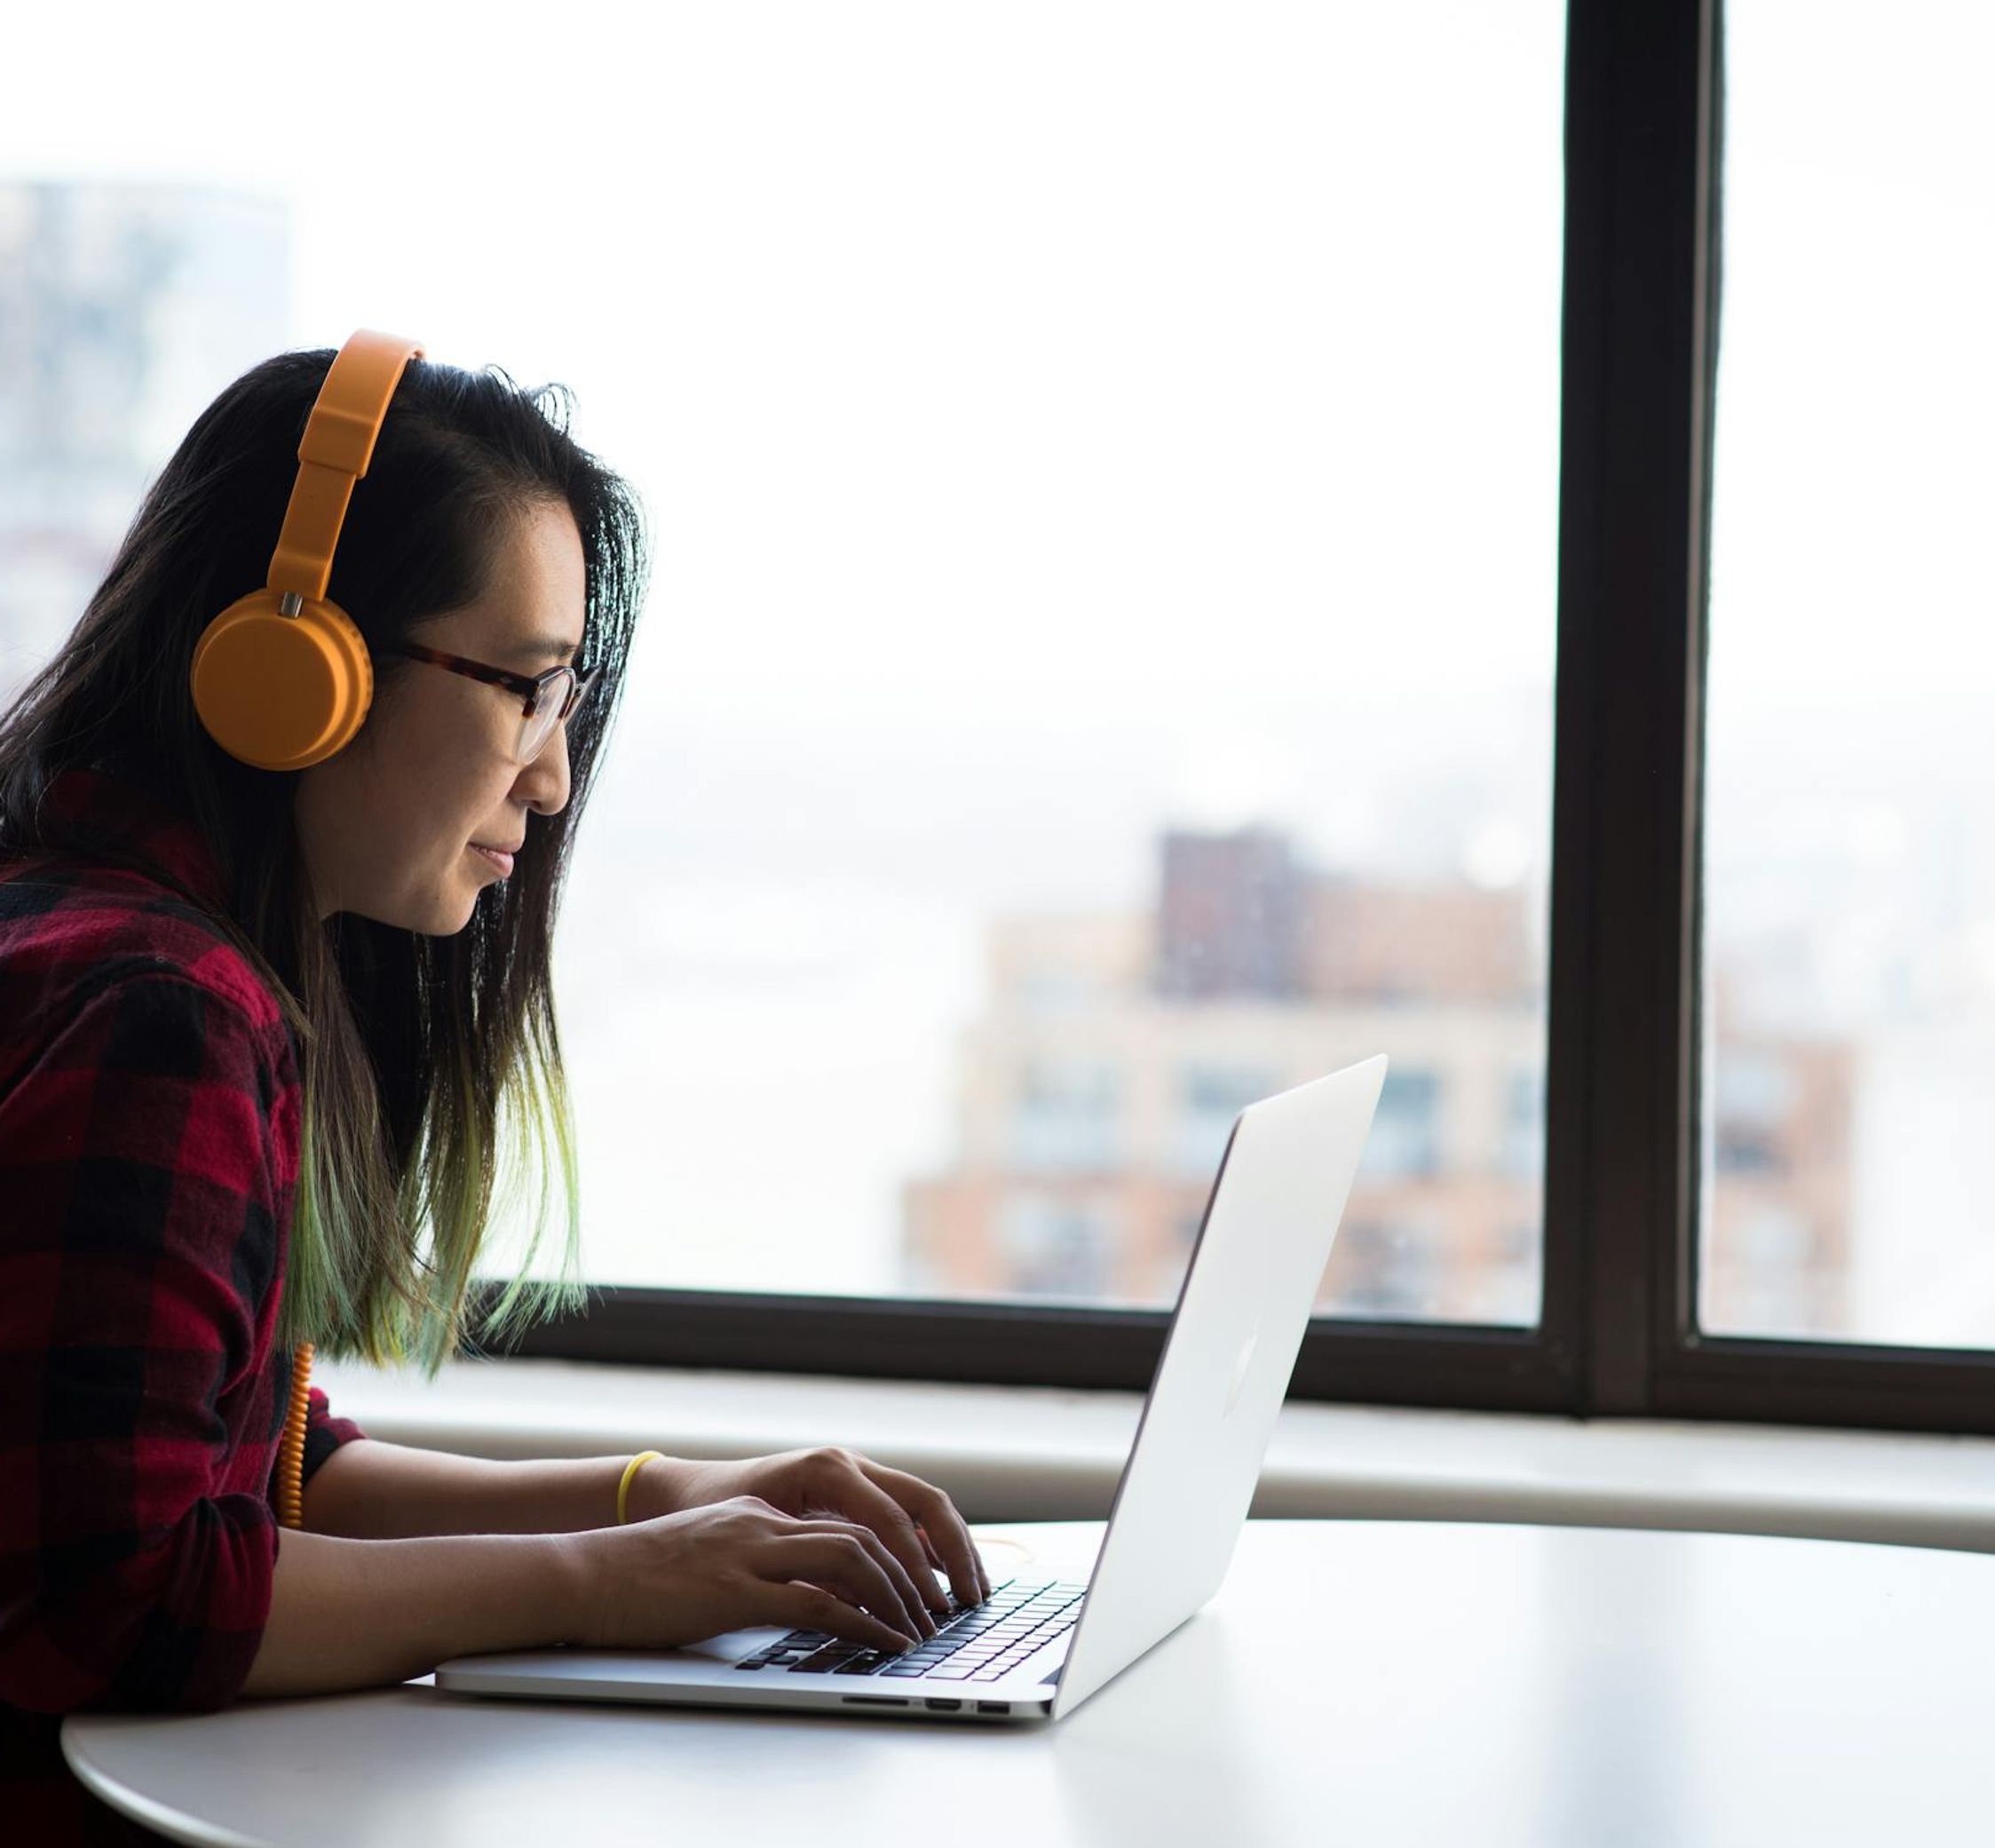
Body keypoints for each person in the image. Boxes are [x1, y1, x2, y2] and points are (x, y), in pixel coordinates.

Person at [0, 335, 990, 1845]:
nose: (552, 775)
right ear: (295, 665)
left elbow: (265, 1462)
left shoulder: (111, 936)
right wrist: (609, 1586)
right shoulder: (157, 1011)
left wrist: (656, 1498)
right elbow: (126, 1593)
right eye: (526, 688)